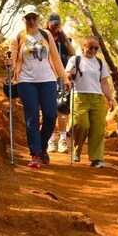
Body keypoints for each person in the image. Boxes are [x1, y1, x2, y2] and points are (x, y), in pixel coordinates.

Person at [5, 5, 71, 168]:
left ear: (38, 19)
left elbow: (56, 59)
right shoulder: (18, 38)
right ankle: (35, 154)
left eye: (34, 17)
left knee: (50, 115)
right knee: (32, 117)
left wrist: (65, 79)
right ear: (23, 19)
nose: (31, 20)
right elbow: (12, 61)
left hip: (48, 80)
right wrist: (9, 64)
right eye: (28, 18)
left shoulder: (46, 35)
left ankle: (42, 147)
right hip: (26, 82)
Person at [66, 36, 115, 168]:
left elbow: (104, 83)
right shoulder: (75, 60)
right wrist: (70, 74)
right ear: (84, 46)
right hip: (79, 96)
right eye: (90, 47)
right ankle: (77, 149)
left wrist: (110, 98)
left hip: (97, 98)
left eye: (96, 48)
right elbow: (67, 78)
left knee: (98, 129)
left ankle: (97, 158)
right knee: (81, 124)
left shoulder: (100, 63)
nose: (93, 50)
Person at [45, 13, 74, 154]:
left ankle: (62, 140)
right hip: (46, 76)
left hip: (61, 76)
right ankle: (50, 140)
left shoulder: (63, 39)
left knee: (62, 107)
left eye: (58, 24)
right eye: (53, 24)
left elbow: (73, 54)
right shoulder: (42, 37)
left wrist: (66, 37)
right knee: (47, 108)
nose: (56, 26)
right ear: (48, 23)